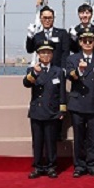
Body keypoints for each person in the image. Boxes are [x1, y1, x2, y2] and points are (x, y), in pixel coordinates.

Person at [65, 29, 94, 178]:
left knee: (93, 137)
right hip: (78, 103)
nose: (87, 43)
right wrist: (79, 70)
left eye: (90, 41)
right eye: (84, 41)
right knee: (79, 137)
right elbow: (69, 76)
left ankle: (92, 164)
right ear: (80, 42)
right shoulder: (72, 59)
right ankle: (79, 166)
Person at [22, 41, 66, 179]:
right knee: (38, 141)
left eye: (48, 52)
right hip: (37, 111)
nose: (45, 55)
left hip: (52, 111)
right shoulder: (32, 70)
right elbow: (26, 83)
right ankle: (38, 167)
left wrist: (62, 109)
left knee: (51, 141)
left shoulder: (58, 71)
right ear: (38, 55)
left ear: (52, 54)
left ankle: (51, 166)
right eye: (42, 52)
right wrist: (35, 73)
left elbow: (62, 92)